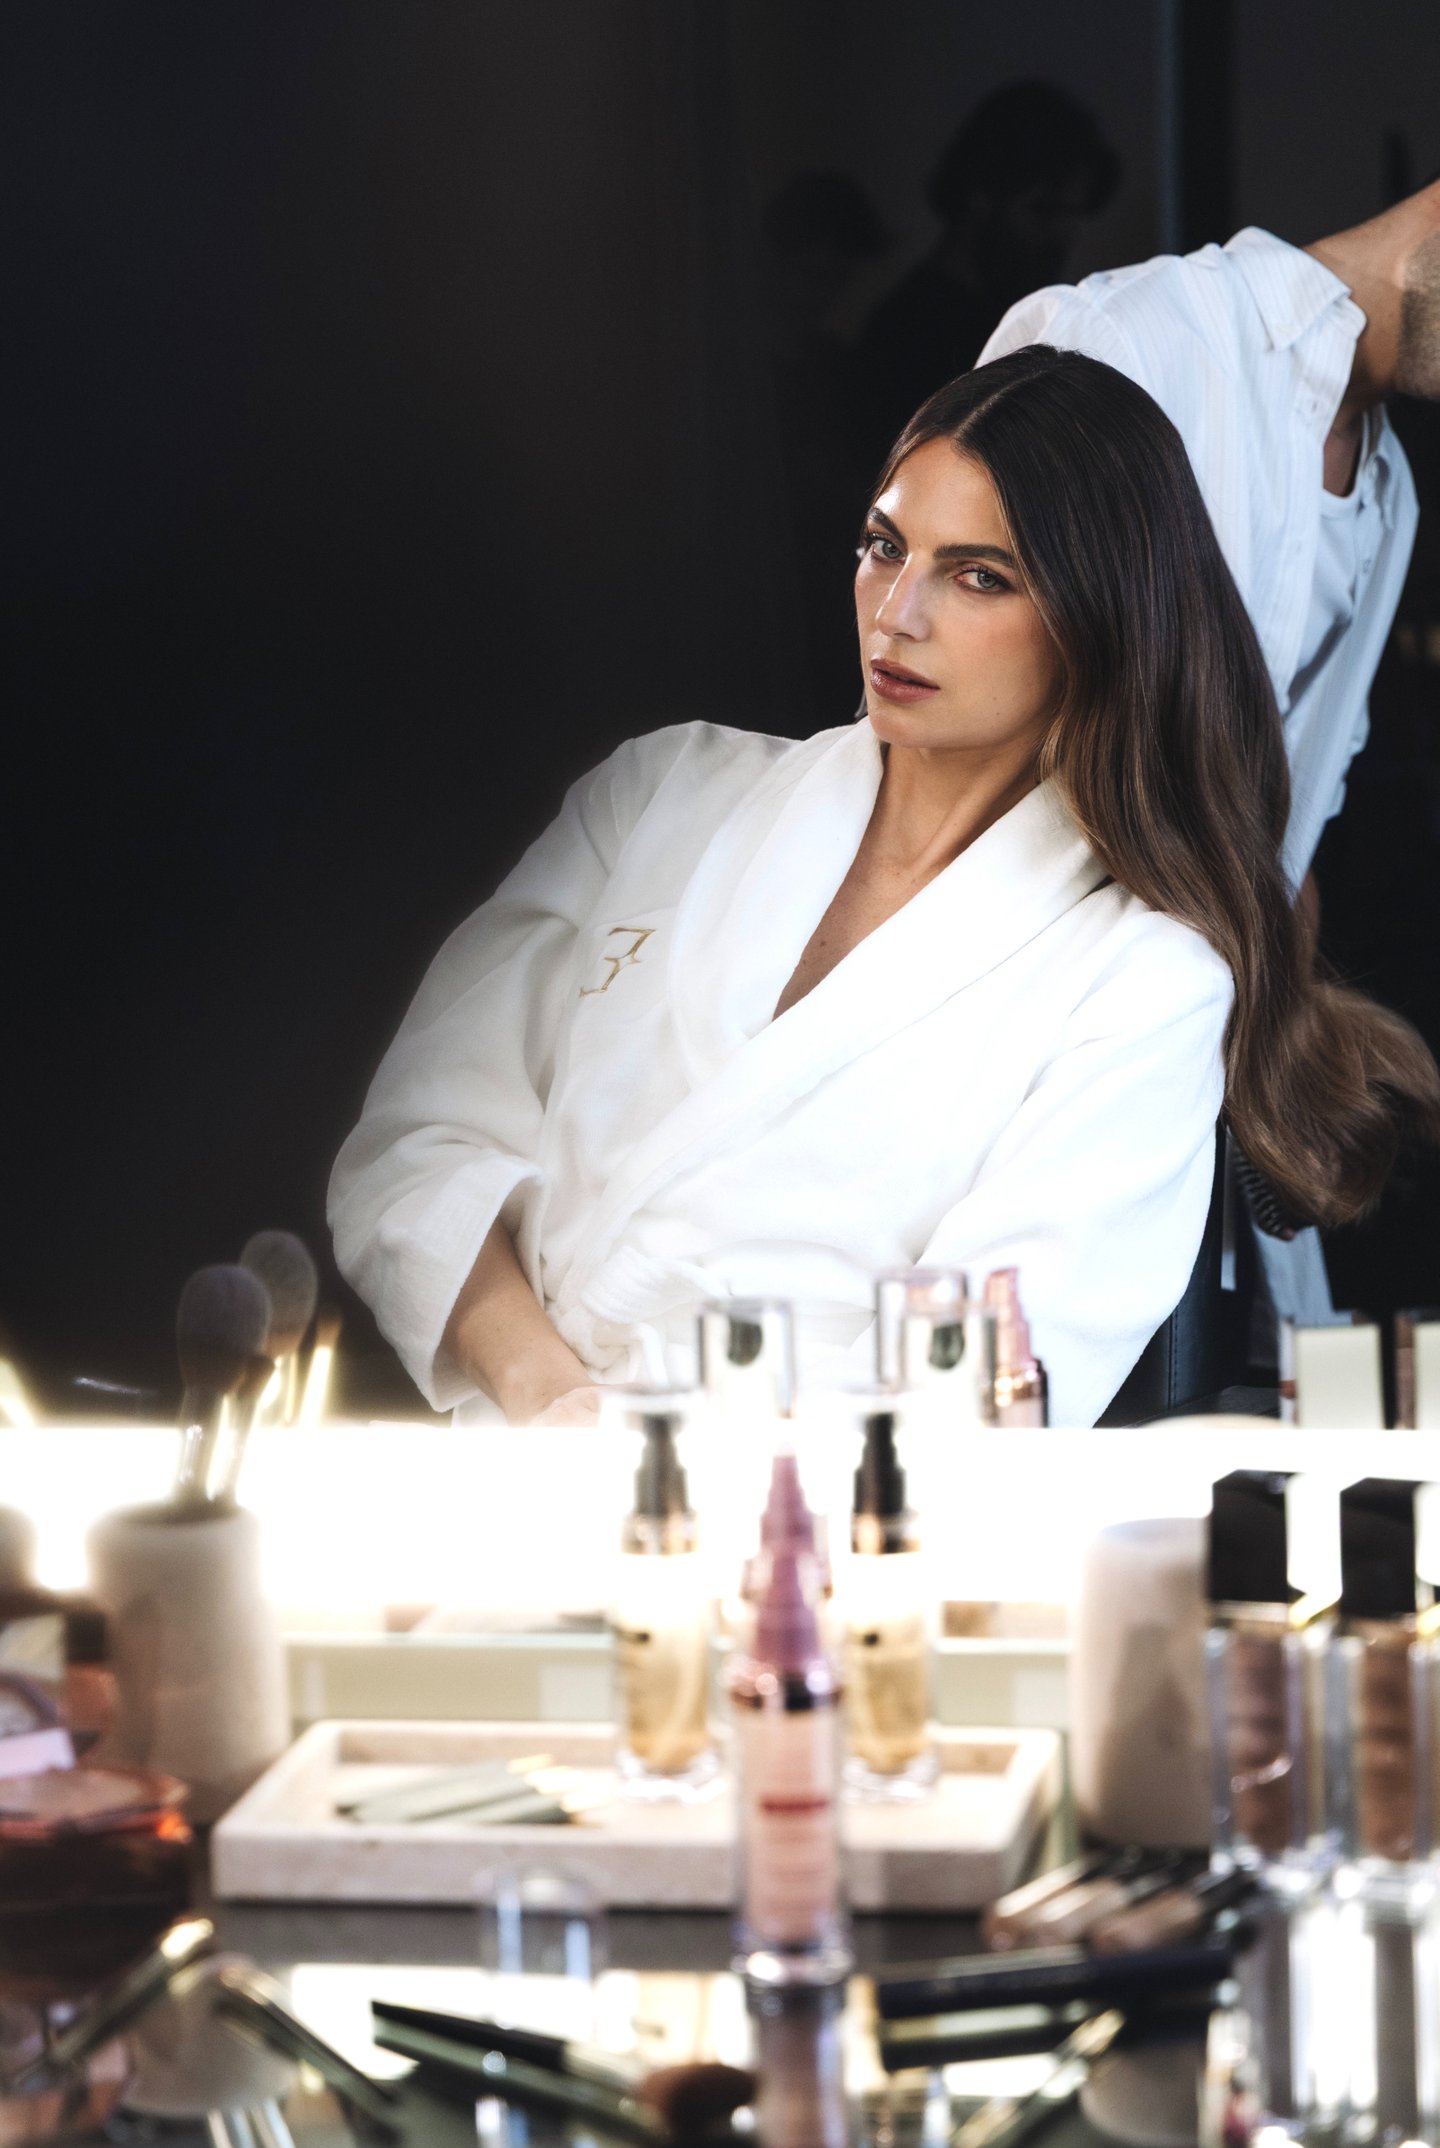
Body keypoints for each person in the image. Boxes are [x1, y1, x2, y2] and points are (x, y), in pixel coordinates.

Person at [328, 349, 1440, 1429]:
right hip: (515, 1459)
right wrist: (551, 1401)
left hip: (815, 1548)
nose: (896, 614)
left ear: (1104, 619)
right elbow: (416, 1146)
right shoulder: (661, 790)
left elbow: (975, 1391)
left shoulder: (1142, 981)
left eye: (978, 576)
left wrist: (668, 1478)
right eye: (882, 546)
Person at [978, 181, 1440, 1322]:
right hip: (1036, 1056)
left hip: (1207, 1088)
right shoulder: (1131, 339)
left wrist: (1289, 1031)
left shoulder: (1388, 494)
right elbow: (972, 719)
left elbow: (1288, 816)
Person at [854, 82, 1120, 468]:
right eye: (1043, 211)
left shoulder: (1034, 318)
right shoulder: (909, 335)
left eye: (1074, 216)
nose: (1062, 238)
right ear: (979, 197)